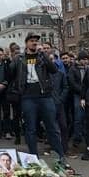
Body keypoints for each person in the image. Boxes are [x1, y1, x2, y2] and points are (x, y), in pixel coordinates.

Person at [9, 33, 65, 161]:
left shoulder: (42, 57)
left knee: (52, 126)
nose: (34, 43)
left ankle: (60, 155)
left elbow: (54, 70)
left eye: (36, 41)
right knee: (31, 128)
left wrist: (44, 55)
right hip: (28, 97)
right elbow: (11, 74)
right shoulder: (20, 58)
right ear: (26, 43)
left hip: (45, 96)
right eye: (32, 41)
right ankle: (34, 157)